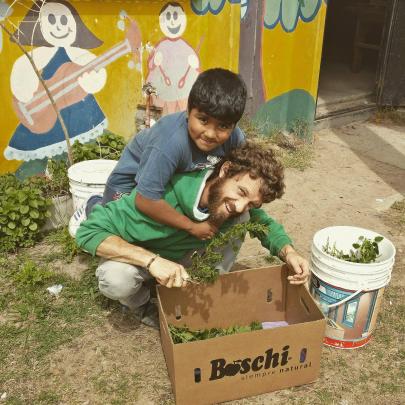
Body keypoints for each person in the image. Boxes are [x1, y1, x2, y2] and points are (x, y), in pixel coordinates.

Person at [76, 142, 309, 329]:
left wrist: (288, 253)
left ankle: (203, 290)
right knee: (117, 280)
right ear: (225, 170)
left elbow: (263, 223)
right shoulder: (157, 196)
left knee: (244, 220)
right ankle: (142, 305)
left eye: (250, 203)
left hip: (183, 258)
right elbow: (88, 232)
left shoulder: (236, 208)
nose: (239, 206)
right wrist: (153, 261)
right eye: (241, 192)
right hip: (141, 259)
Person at [69, 68, 247, 241]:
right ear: (188, 111)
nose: (210, 133)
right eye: (203, 120)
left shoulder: (235, 139)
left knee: (165, 231)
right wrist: (192, 227)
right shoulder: (169, 142)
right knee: (123, 230)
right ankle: (93, 206)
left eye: (223, 126)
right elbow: (145, 200)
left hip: (170, 180)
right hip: (130, 186)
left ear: (233, 125)